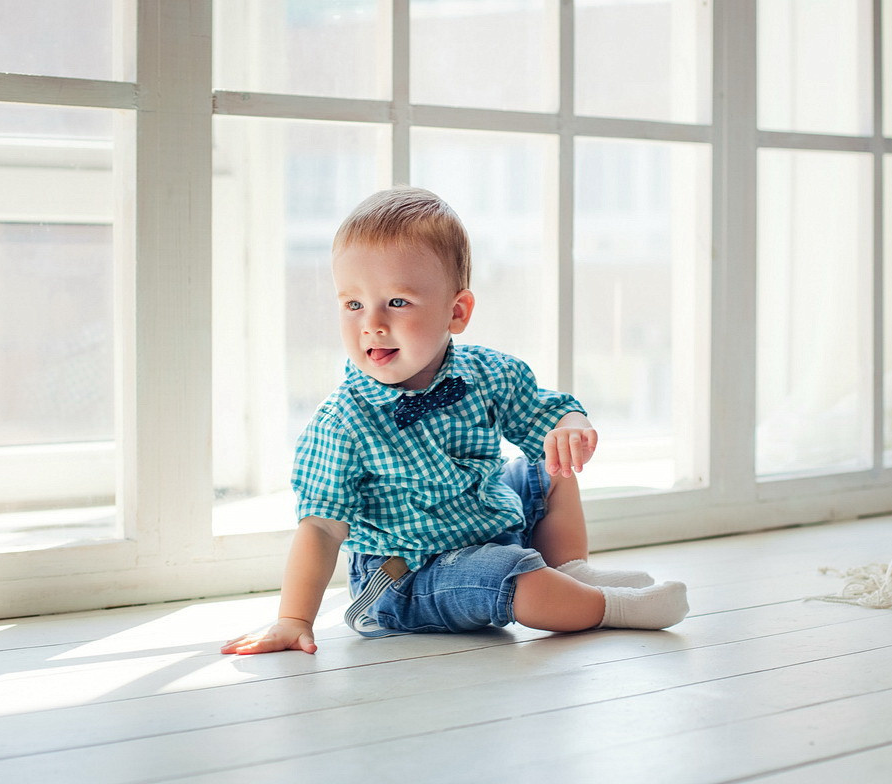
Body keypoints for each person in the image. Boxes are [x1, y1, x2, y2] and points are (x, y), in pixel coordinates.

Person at [222, 187, 688, 655]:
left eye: (397, 302)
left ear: (457, 311)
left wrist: (568, 424)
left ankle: (570, 573)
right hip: (413, 575)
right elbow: (321, 529)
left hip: (484, 523)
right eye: (353, 304)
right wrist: (293, 619)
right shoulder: (342, 424)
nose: (372, 324)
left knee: (546, 465)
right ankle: (613, 608)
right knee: (509, 575)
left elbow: (546, 411)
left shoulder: (484, 373)